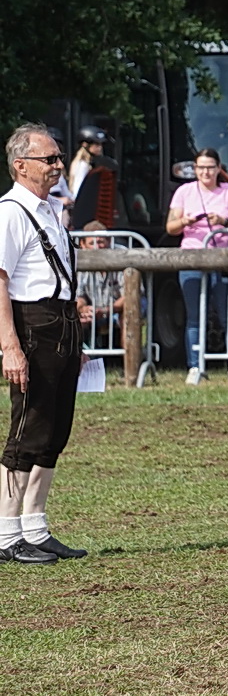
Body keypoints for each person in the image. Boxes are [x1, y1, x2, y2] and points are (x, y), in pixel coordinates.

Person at [0, 124, 88, 564]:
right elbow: (0, 281)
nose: (57, 165)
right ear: (21, 165)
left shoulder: (50, 208)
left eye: (58, 158)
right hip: (31, 323)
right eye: (49, 159)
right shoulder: (11, 212)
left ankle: (35, 526)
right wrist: (10, 346)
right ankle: (5, 531)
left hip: (61, 323)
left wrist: (75, 331)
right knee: (27, 428)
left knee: (56, 429)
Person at [166, 149, 228, 384]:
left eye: (210, 167)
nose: (205, 172)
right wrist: (185, 221)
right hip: (192, 257)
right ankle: (195, 365)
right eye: (201, 167)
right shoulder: (184, 192)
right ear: (194, 169)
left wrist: (223, 221)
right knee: (194, 316)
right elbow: (170, 227)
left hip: (224, 257)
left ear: (219, 168)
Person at [75, 223, 124, 346]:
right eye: (92, 243)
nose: (98, 247)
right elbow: (79, 296)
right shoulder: (80, 258)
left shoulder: (122, 255)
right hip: (95, 308)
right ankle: (80, 362)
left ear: (109, 241)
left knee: (129, 315)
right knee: (72, 318)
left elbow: (130, 297)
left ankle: (131, 363)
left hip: (119, 309)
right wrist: (83, 309)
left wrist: (105, 311)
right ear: (83, 245)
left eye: (101, 242)